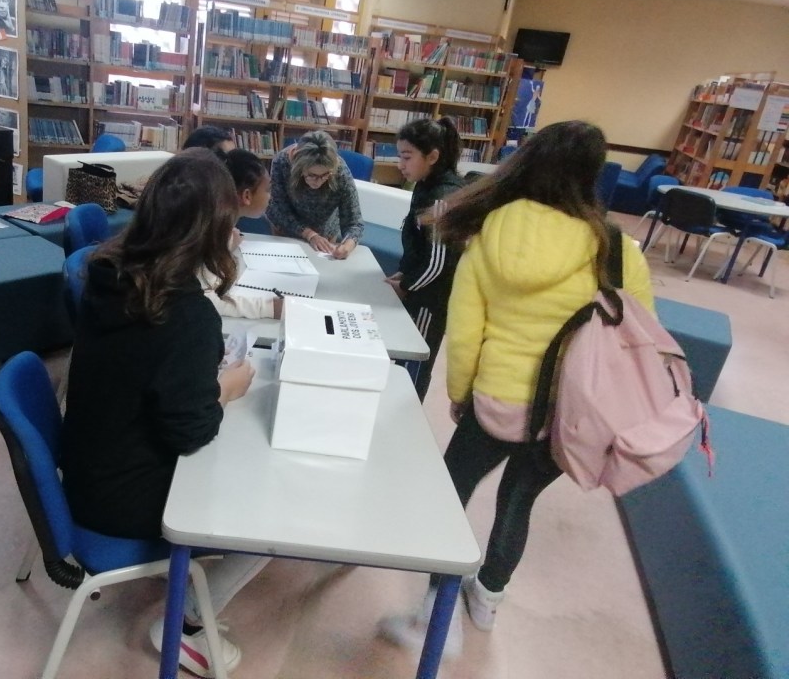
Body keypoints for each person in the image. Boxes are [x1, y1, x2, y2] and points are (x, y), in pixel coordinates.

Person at [382, 121, 655, 653]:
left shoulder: (490, 233)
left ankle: (434, 607)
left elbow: (466, 330)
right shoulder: (618, 249)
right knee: (519, 500)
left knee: (449, 494)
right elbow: (638, 334)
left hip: (496, 400)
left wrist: (460, 393)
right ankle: (487, 599)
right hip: (572, 410)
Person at [62, 149, 265, 678]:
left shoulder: (110, 271)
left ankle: (189, 604)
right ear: (212, 231)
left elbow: (148, 367)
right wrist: (225, 388)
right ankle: (188, 625)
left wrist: (197, 375)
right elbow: (190, 431)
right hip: (121, 502)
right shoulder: (185, 315)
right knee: (274, 514)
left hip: (88, 473)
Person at [382, 117, 466, 401]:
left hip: (430, 299)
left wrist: (407, 285)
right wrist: (405, 273)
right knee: (405, 350)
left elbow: (437, 262)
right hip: (418, 288)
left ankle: (407, 409)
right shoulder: (425, 184)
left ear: (432, 157)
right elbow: (419, 244)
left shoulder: (443, 197)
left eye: (407, 157)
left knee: (416, 357)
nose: (400, 165)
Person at [203, 148, 281, 319]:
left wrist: (229, 244)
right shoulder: (208, 233)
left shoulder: (220, 226)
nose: (271, 196)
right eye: (268, 189)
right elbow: (204, 302)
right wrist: (269, 308)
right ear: (246, 195)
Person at [266, 129, 363, 259]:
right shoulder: (282, 162)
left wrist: (347, 246)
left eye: (325, 175)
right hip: (285, 232)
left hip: (324, 238)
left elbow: (354, 222)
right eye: (312, 175)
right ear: (298, 167)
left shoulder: (340, 172)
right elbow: (276, 209)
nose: (318, 182)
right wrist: (310, 234)